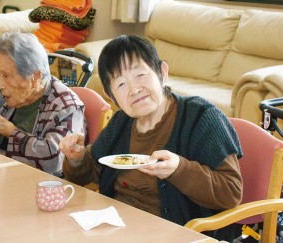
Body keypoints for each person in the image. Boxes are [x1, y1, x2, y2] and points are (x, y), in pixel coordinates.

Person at [60, 35, 243, 240]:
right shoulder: (121, 122)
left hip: (177, 233)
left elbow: (231, 192)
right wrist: (76, 159)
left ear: (162, 72)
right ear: (110, 95)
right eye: (121, 84)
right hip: (116, 226)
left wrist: (178, 169)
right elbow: (91, 172)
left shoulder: (201, 117)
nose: (134, 90)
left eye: (140, 75)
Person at [0, 32, 87, 177]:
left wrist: (12, 133)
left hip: (35, 183)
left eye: (6, 76)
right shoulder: (5, 93)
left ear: (35, 77)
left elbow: (56, 160)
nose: (0, 84)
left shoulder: (66, 106)